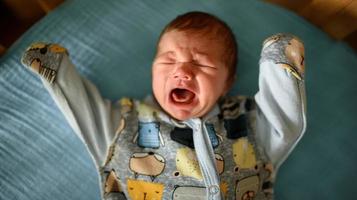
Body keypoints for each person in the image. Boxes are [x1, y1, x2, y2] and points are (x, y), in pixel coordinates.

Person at [21, 11, 306, 200]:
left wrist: (277, 60)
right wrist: (57, 71)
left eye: (201, 63)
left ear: (228, 82)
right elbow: (84, 111)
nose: (182, 71)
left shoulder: (246, 121)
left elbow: (285, 117)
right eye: (168, 61)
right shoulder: (127, 122)